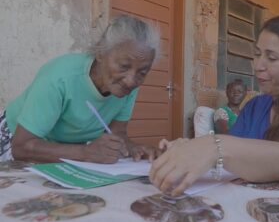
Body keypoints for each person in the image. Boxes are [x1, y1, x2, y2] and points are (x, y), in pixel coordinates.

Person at [149, 15, 279, 197]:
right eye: (257, 54)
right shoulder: (256, 106)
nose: (258, 65)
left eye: (271, 58)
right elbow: (235, 154)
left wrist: (212, 146)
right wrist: (188, 149)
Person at [0, 14, 162, 163]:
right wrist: (86, 153)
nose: (130, 80)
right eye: (123, 66)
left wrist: (134, 148)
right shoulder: (60, 77)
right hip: (16, 140)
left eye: (142, 72)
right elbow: (21, 147)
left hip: (67, 148)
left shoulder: (129, 86)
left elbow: (117, 134)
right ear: (101, 53)